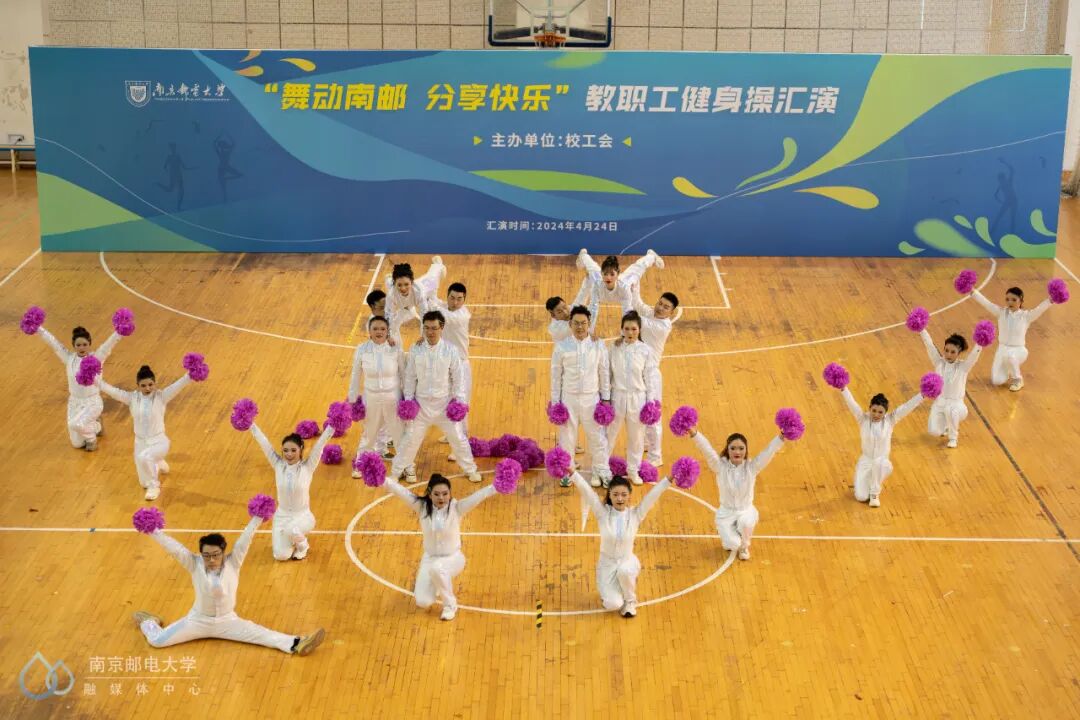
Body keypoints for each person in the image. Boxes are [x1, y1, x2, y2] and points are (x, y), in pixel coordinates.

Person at [134, 509, 325, 654]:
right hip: (198, 621)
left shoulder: (234, 561)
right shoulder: (194, 563)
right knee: (157, 641)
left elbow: (245, 539)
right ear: (201, 554)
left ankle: (298, 643)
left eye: (215, 554)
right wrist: (153, 531)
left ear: (223, 552)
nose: (211, 559)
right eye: (206, 555)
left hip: (228, 621)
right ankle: (148, 622)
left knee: (263, 635)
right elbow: (174, 548)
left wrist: (258, 517)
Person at [378, 474, 500, 621]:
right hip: (429, 559)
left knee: (438, 569)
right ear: (430, 494)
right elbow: (401, 491)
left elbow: (479, 496)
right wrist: (381, 479)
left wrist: (497, 486)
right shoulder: (421, 507)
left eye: (445, 493)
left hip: (453, 558)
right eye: (436, 494)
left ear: (450, 493)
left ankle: (450, 606)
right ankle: (438, 582)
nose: (441, 498)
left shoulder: (457, 508)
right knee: (423, 601)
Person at [390, 311, 481, 483]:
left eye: (434, 328)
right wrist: (408, 401)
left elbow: (458, 378)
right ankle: (396, 472)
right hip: (421, 405)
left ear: (442, 328)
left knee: (458, 438)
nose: (430, 332)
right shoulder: (415, 349)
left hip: (444, 405)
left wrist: (459, 402)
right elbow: (410, 377)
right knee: (410, 440)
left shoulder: (451, 350)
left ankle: (471, 470)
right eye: (426, 328)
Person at [568, 471, 672, 617]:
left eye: (624, 494)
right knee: (613, 605)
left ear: (629, 496)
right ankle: (616, 590)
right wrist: (572, 473)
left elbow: (652, 496)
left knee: (624, 571)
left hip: (627, 561)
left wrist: (669, 479)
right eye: (615, 494)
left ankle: (630, 601)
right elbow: (588, 493)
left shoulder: (636, 514)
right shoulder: (602, 513)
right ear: (609, 495)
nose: (620, 498)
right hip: (607, 564)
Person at [688, 424, 787, 561]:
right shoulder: (719, 466)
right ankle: (731, 536)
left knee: (746, 523)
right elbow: (706, 449)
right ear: (727, 450)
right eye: (733, 448)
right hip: (726, 512)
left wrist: (782, 436)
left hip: (746, 511)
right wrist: (693, 432)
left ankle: (744, 546)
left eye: (741, 448)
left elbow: (769, 451)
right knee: (732, 544)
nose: (737, 451)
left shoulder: (752, 467)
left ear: (746, 450)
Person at [99, 365, 193, 500]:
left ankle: (154, 486)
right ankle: (158, 462)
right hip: (140, 443)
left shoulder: (161, 396)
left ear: (155, 383)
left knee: (145, 459)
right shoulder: (132, 398)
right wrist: (95, 380)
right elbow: (112, 391)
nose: (147, 388)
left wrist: (190, 374)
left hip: (159, 442)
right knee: (143, 482)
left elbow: (178, 385)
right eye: (143, 386)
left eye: (150, 384)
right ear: (138, 386)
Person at [248, 421, 335, 560]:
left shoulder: (308, 467)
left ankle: (303, 546)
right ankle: (293, 538)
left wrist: (332, 426)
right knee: (281, 556)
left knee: (292, 530)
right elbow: (264, 443)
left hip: (303, 516)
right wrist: (251, 424)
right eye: (286, 450)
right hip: (281, 517)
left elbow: (320, 445)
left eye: (293, 450)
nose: (289, 454)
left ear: (301, 449)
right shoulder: (278, 465)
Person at [32, 321, 124, 451]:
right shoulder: (69, 358)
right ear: (74, 345)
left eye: (85, 344)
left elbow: (109, 344)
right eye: (78, 345)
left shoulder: (97, 358)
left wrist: (119, 332)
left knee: (76, 424)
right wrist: (38, 328)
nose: (82, 347)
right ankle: (96, 425)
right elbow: (54, 343)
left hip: (93, 402)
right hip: (74, 403)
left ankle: (92, 438)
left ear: (89, 344)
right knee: (77, 444)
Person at [550, 306, 612, 488]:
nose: (580, 327)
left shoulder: (598, 345)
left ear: (589, 323)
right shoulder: (561, 347)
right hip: (568, 399)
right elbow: (555, 376)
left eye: (583, 323)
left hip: (591, 398)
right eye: (576, 323)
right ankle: (567, 472)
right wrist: (555, 403)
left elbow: (604, 372)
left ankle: (601, 470)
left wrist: (606, 399)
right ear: (570, 324)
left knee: (597, 436)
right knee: (567, 438)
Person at [833, 385, 924, 507]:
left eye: (880, 412)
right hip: (866, 461)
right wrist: (843, 388)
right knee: (861, 497)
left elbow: (907, 407)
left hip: (882, 462)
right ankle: (871, 482)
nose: (876, 414)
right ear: (870, 408)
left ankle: (874, 494)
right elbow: (852, 403)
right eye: (874, 410)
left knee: (878, 463)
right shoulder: (863, 419)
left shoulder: (890, 420)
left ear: (885, 412)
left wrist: (922, 395)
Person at [606, 312, 660, 485]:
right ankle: (601, 468)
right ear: (621, 329)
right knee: (608, 434)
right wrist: (604, 398)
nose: (630, 332)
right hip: (617, 396)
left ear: (639, 330)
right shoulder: (613, 347)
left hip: (638, 399)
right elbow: (607, 373)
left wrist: (650, 403)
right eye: (627, 328)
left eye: (634, 329)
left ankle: (633, 470)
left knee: (636, 438)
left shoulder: (646, 351)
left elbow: (649, 378)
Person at [348, 316, 406, 475]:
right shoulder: (361, 349)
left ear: (388, 332)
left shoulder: (396, 349)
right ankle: (360, 464)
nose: (379, 332)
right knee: (369, 432)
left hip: (393, 397)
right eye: (375, 329)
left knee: (398, 433)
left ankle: (404, 466)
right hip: (371, 398)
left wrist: (408, 399)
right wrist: (352, 399)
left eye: (382, 329)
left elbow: (404, 374)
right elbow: (355, 375)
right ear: (369, 331)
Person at [629, 288, 680, 466]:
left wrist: (626, 298)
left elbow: (635, 319)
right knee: (638, 410)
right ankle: (645, 443)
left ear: (671, 312)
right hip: (638, 373)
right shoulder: (651, 313)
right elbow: (638, 303)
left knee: (653, 416)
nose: (660, 308)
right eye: (660, 303)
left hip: (651, 376)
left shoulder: (662, 327)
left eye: (666, 307)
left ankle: (656, 456)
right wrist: (635, 285)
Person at [970, 285, 1054, 391]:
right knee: (997, 381)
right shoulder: (1001, 313)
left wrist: (1050, 300)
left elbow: (1039, 309)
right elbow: (987, 303)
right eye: (1007, 299)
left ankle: (1018, 379)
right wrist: (973, 291)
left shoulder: (1026, 316)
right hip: (1002, 349)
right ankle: (1009, 368)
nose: (1010, 302)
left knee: (1010, 357)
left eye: (1014, 300)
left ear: (1021, 301)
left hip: (1019, 350)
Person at [918, 329, 983, 448]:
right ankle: (947, 425)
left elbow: (974, 356)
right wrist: (922, 330)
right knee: (934, 431)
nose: (948, 354)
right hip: (940, 404)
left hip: (957, 406)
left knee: (950, 410)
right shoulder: (939, 363)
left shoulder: (963, 367)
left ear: (959, 353)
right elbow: (930, 345)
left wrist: (980, 343)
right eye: (946, 350)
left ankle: (953, 438)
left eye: (953, 352)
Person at [576, 249, 664, 330]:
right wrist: (589, 332)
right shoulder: (597, 284)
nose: (608, 277)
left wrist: (624, 335)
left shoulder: (624, 288)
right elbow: (593, 309)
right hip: (602, 288)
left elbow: (626, 312)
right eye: (605, 274)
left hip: (630, 286)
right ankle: (583, 255)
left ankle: (651, 255)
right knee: (592, 268)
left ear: (618, 274)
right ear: (601, 273)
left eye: (612, 274)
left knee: (637, 303)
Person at [384, 258, 445, 344]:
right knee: (394, 323)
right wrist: (388, 336)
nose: (403, 288)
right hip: (406, 305)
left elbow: (424, 315)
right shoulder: (391, 294)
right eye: (399, 285)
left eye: (406, 284)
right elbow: (388, 315)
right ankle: (389, 278)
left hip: (428, 289)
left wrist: (423, 336)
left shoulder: (419, 292)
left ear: (412, 282)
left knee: (433, 276)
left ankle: (437, 264)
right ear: (395, 283)